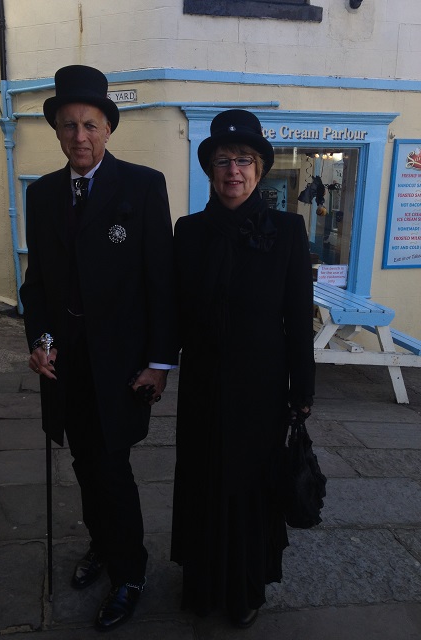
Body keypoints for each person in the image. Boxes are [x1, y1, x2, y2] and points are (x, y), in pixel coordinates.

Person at [20, 65, 178, 632]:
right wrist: (38, 340)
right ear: (57, 133)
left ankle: (130, 570)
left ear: (108, 127)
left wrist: (160, 362)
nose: (79, 137)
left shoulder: (142, 185)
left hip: (120, 367)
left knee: (113, 468)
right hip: (66, 366)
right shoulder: (41, 196)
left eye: (89, 124)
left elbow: (161, 281)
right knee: (85, 463)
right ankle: (102, 546)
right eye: (68, 127)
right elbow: (37, 283)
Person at [170, 109, 315, 628]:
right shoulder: (187, 232)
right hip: (204, 384)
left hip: (262, 387)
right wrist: (157, 364)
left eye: (245, 160)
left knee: (251, 487)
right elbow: (171, 310)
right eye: (224, 160)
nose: (234, 170)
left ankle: (246, 587)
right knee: (204, 479)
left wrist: (303, 389)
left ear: (259, 170)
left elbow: (298, 316)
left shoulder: (289, 230)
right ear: (210, 170)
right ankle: (204, 583)